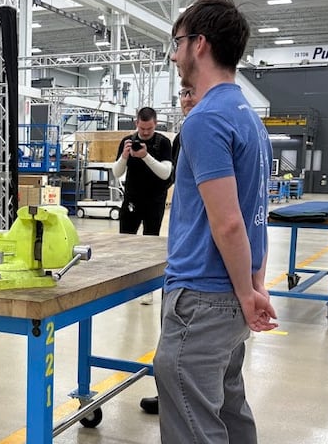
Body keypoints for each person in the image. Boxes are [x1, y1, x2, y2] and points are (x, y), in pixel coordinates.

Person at [154, 0, 278, 444]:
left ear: (199, 44)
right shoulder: (248, 117)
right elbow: (256, 214)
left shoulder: (205, 119)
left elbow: (228, 222)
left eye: (177, 43)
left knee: (194, 425)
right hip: (230, 293)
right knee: (229, 409)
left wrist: (248, 293)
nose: (173, 55)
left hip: (203, 296)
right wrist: (253, 286)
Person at [139, 84, 198, 415]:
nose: (187, 99)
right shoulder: (184, 136)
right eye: (183, 93)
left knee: (181, 346)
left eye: (193, 91)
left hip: (193, 262)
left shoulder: (197, 130)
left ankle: (177, 402)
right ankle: (170, 396)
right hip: (181, 249)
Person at [113, 106, 172, 304]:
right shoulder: (127, 142)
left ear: (155, 124)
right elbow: (116, 173)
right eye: (142, 128)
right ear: (136, 123)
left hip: (154, 200)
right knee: (125, 242)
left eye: (149, 129)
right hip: (131, 199)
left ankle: (147, 289)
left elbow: (165, 172)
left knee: (150, 243)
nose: (145, 133)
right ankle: (127, 285)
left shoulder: (163, 143)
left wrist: (146, 156)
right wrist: (124, 156)